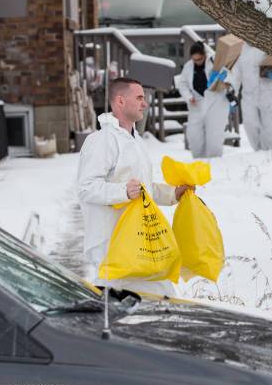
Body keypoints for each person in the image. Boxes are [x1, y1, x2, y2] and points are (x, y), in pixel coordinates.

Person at [77, 77, 192, 297]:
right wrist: (122, 192)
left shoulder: (134, 140)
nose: (145, 103)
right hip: (114, 241)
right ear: (120, 101)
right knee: (138, 299)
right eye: (139, 97)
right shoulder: (102, 140)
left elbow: (142, 187)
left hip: (137, 238)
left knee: (156, 295)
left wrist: (172, 194)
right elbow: (86, 187)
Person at [177, 42, 231, 158]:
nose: (197, 62)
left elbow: (229, 74)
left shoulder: (214, 61)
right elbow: (182, 84)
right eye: (194, 59)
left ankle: (214, 162)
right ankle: (198, 161)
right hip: (197, 103)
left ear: (204, 55)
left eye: (199, 59)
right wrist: (188, 97)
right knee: (194, 135)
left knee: (214, 135)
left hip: (215, 101)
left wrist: (222, 77)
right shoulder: (188, 66)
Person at [231, 43, 272, 151]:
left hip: (268, 92)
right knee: (250, 123)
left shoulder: (268, 44)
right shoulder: (242, 50)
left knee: (269, 124)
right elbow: (236, 74)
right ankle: (258, 150)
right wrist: (233, 92)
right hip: (248, 94)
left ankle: (268, 151)